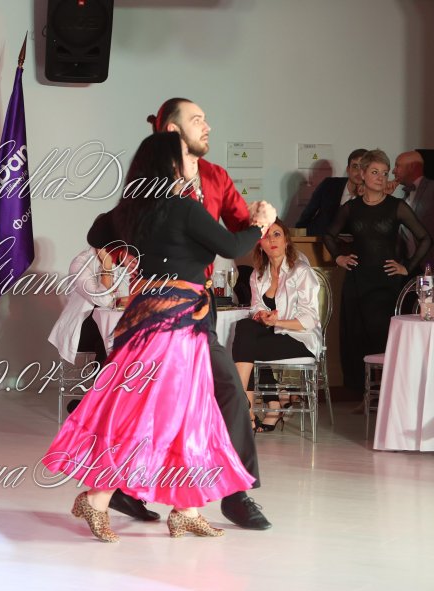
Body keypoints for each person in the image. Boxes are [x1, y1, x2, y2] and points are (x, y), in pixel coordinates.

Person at [45, 132, 272, 542]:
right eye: (186, 155)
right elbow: (231, 244)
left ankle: (186, 508)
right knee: (155, 410)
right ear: (170, 165)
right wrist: (260, 224)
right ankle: (97, 497)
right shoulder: (183, 207)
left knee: (185, 409)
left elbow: (97, 235)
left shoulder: (134, 209)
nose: (193, 160)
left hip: (151, 317)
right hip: (174, 322)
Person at [137, 97, 271, 530]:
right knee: (148, 398)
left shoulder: (214, 176)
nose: (207, 126)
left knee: (228, 388)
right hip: (160, 307)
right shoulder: (151, 180)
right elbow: (119, 232)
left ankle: (235, 493)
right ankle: (122, 488)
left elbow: (239, 233)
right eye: (197, 120)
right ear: (172, 130)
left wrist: (260, 223)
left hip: (199, 307)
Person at [325, 149, 432, 395]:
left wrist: (407, 266)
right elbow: (329, 235)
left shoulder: (397, 206)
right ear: (362, 174)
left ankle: (387, 395)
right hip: (357, 281)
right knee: (356, 337)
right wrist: (339, 257)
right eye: (375, 172)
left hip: (386, 283)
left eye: (384, 173)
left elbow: (426, 238)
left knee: (382, 338)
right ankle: (364, 396)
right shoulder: (351, 208)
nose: (380, 178)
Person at [232, 222, 321, 432]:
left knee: (244, 347)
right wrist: (261, 315)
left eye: (277, 234)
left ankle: (247, 407)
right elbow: (256, 307)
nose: (271, 240)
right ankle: (252, 410)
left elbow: (310, 318)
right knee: (245, 327)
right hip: (272, 336)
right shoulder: (258, 274)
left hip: (301, 339)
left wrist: (277, 322)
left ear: (286, 240)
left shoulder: (301, 271)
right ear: (260, 244)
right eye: (266, 236)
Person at [47, 247, 119, 415]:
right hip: (80, 330)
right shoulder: (80, 264)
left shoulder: (120, 262)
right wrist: (107, 267)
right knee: (108, 339)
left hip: (105, 328)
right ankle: (99, 404)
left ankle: (98, 403)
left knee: (121, 337)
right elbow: (104, 300)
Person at [392, 150, 434, 274]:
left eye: (397, 166)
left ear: (411, 167)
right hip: (408, 268)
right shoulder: (403, 198)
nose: (393, 171)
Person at [296, 149, 369, 236]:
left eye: (363, 167)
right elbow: (307, 214)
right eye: (355, 166)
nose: (359, 172)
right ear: (348, 169)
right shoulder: (329, 184)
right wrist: (298, 237)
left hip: (352, 242)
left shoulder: (371, 195)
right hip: (319, 239)